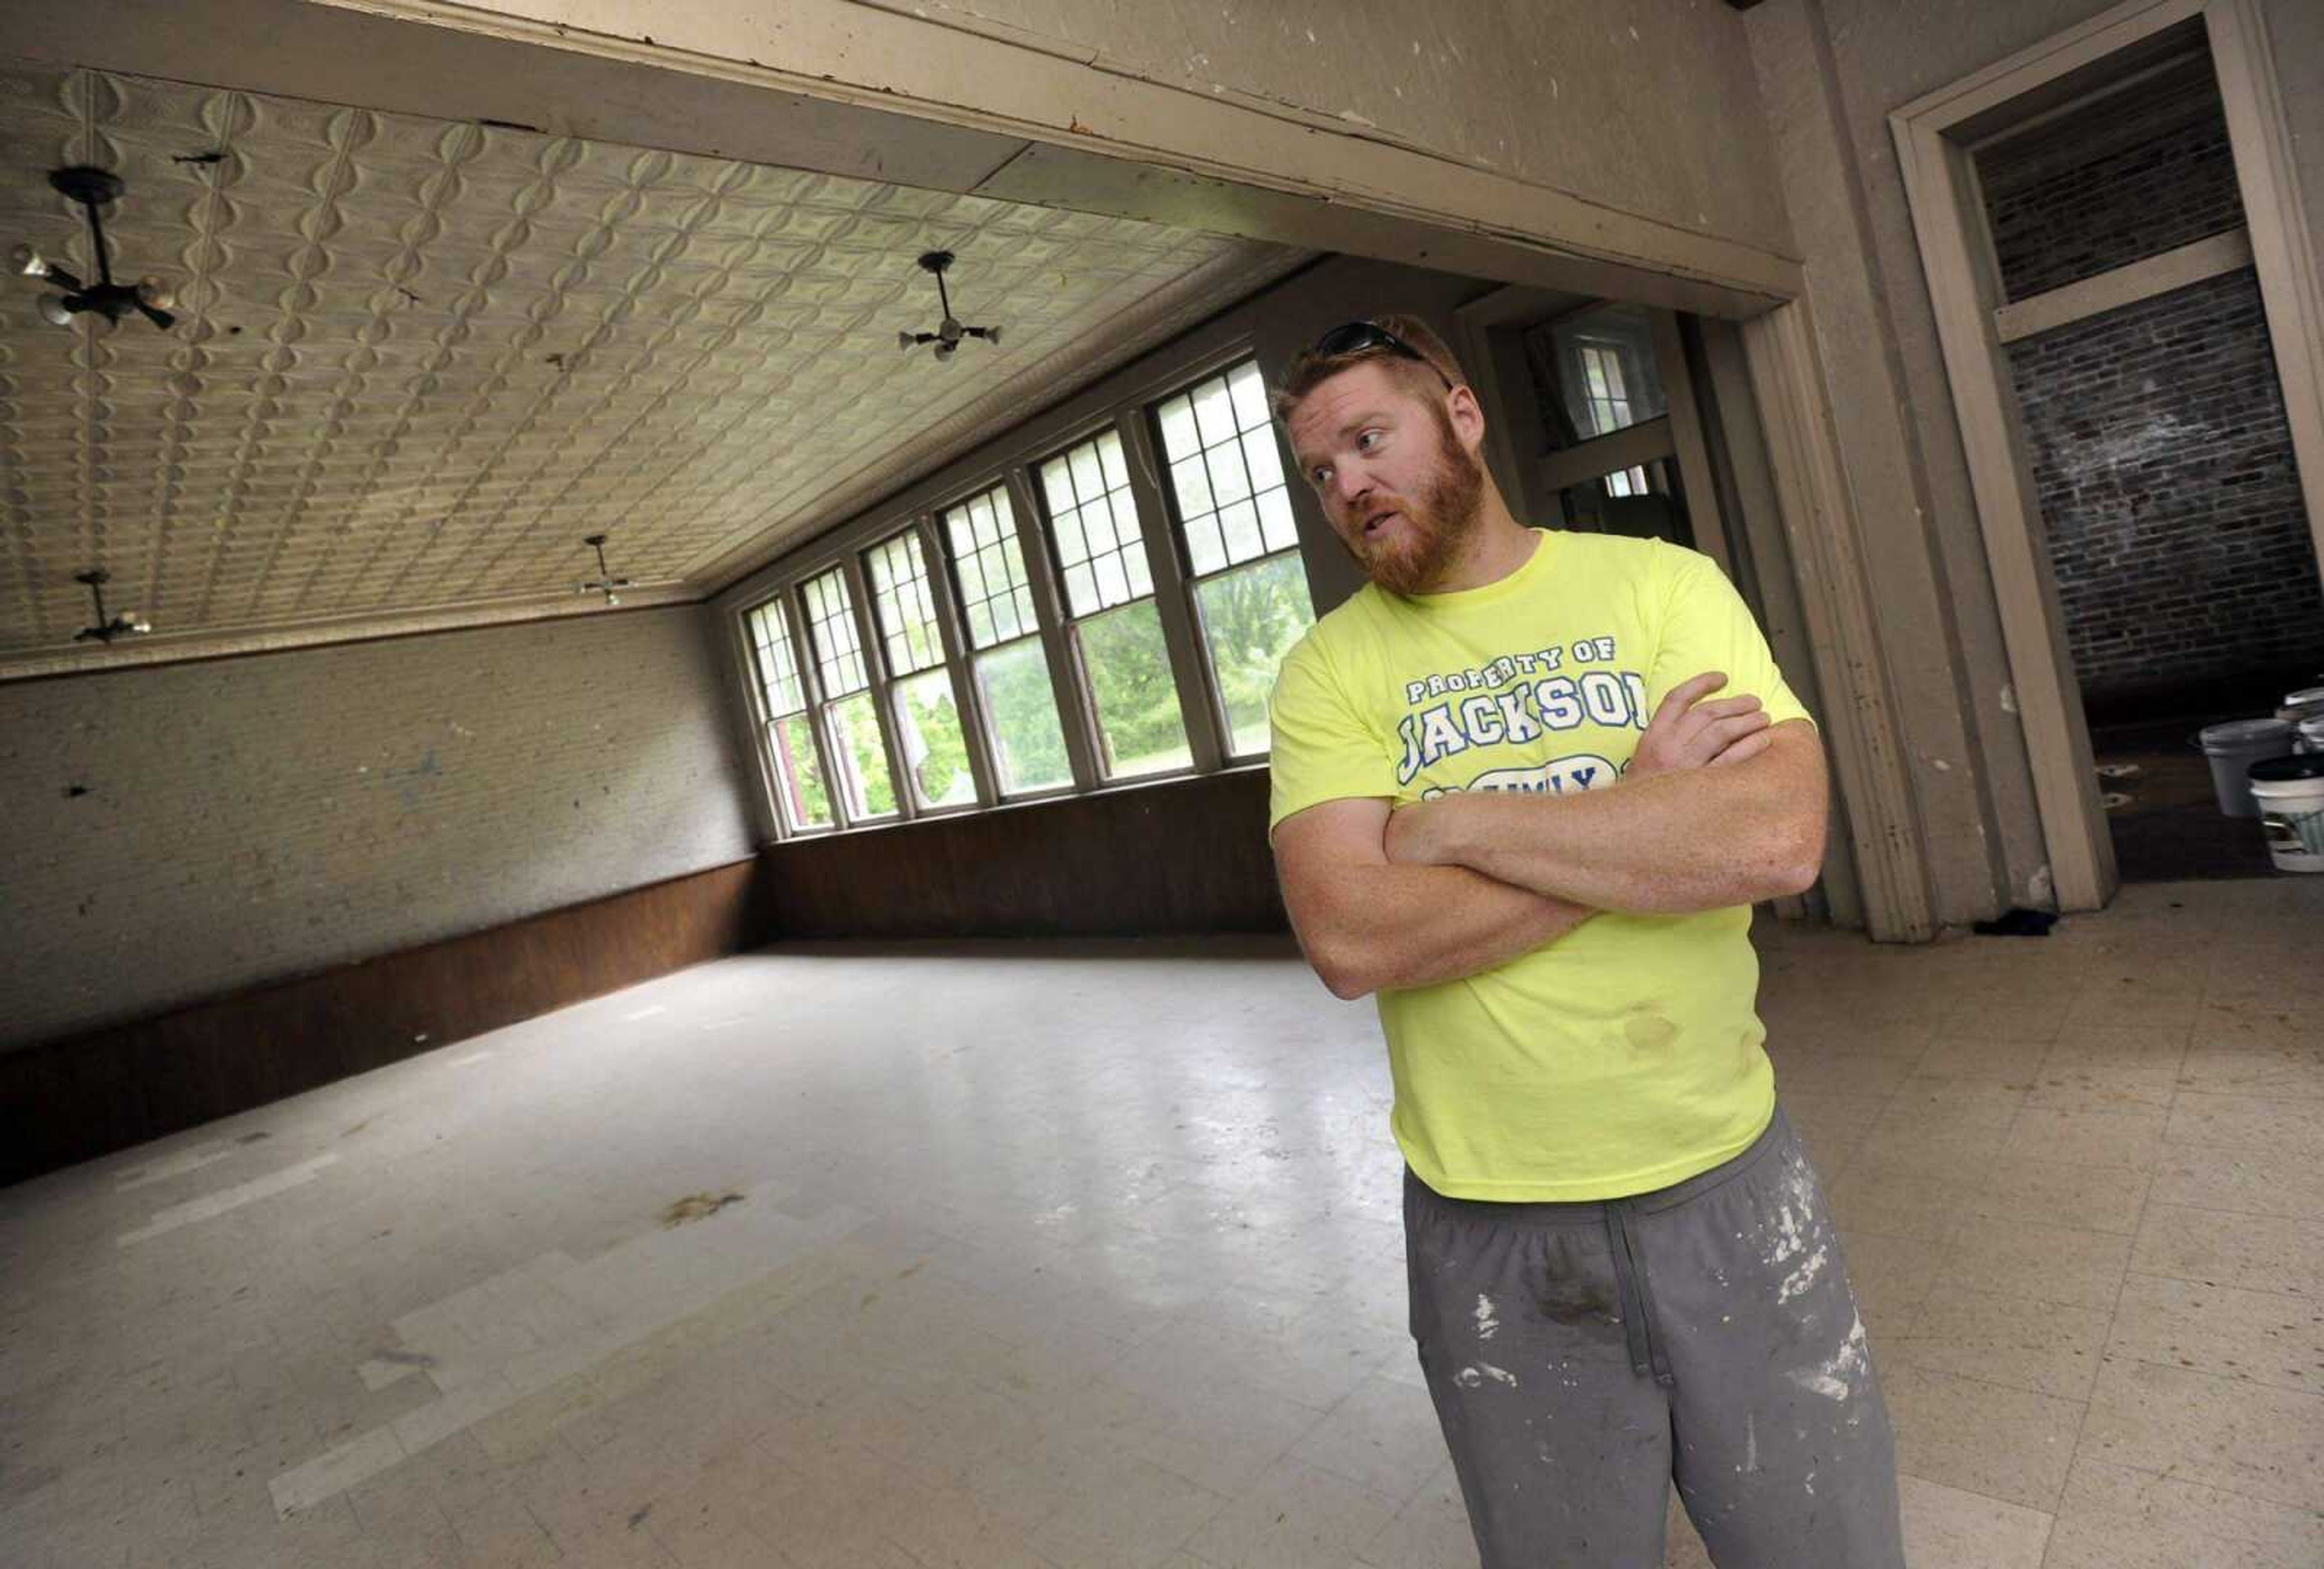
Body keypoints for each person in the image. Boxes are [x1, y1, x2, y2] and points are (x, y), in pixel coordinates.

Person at [1264, 315, 1905, 1568]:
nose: (1348, 485)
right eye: (1321, 471)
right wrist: (1642, 806)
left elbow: (1775, 838)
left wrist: (1452, 824)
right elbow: (1350, 936)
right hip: (1491, 1225)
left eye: (1367, 439)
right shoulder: (1327, 672)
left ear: (1459, 413)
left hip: (1725, 1179)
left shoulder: (1659, 587)